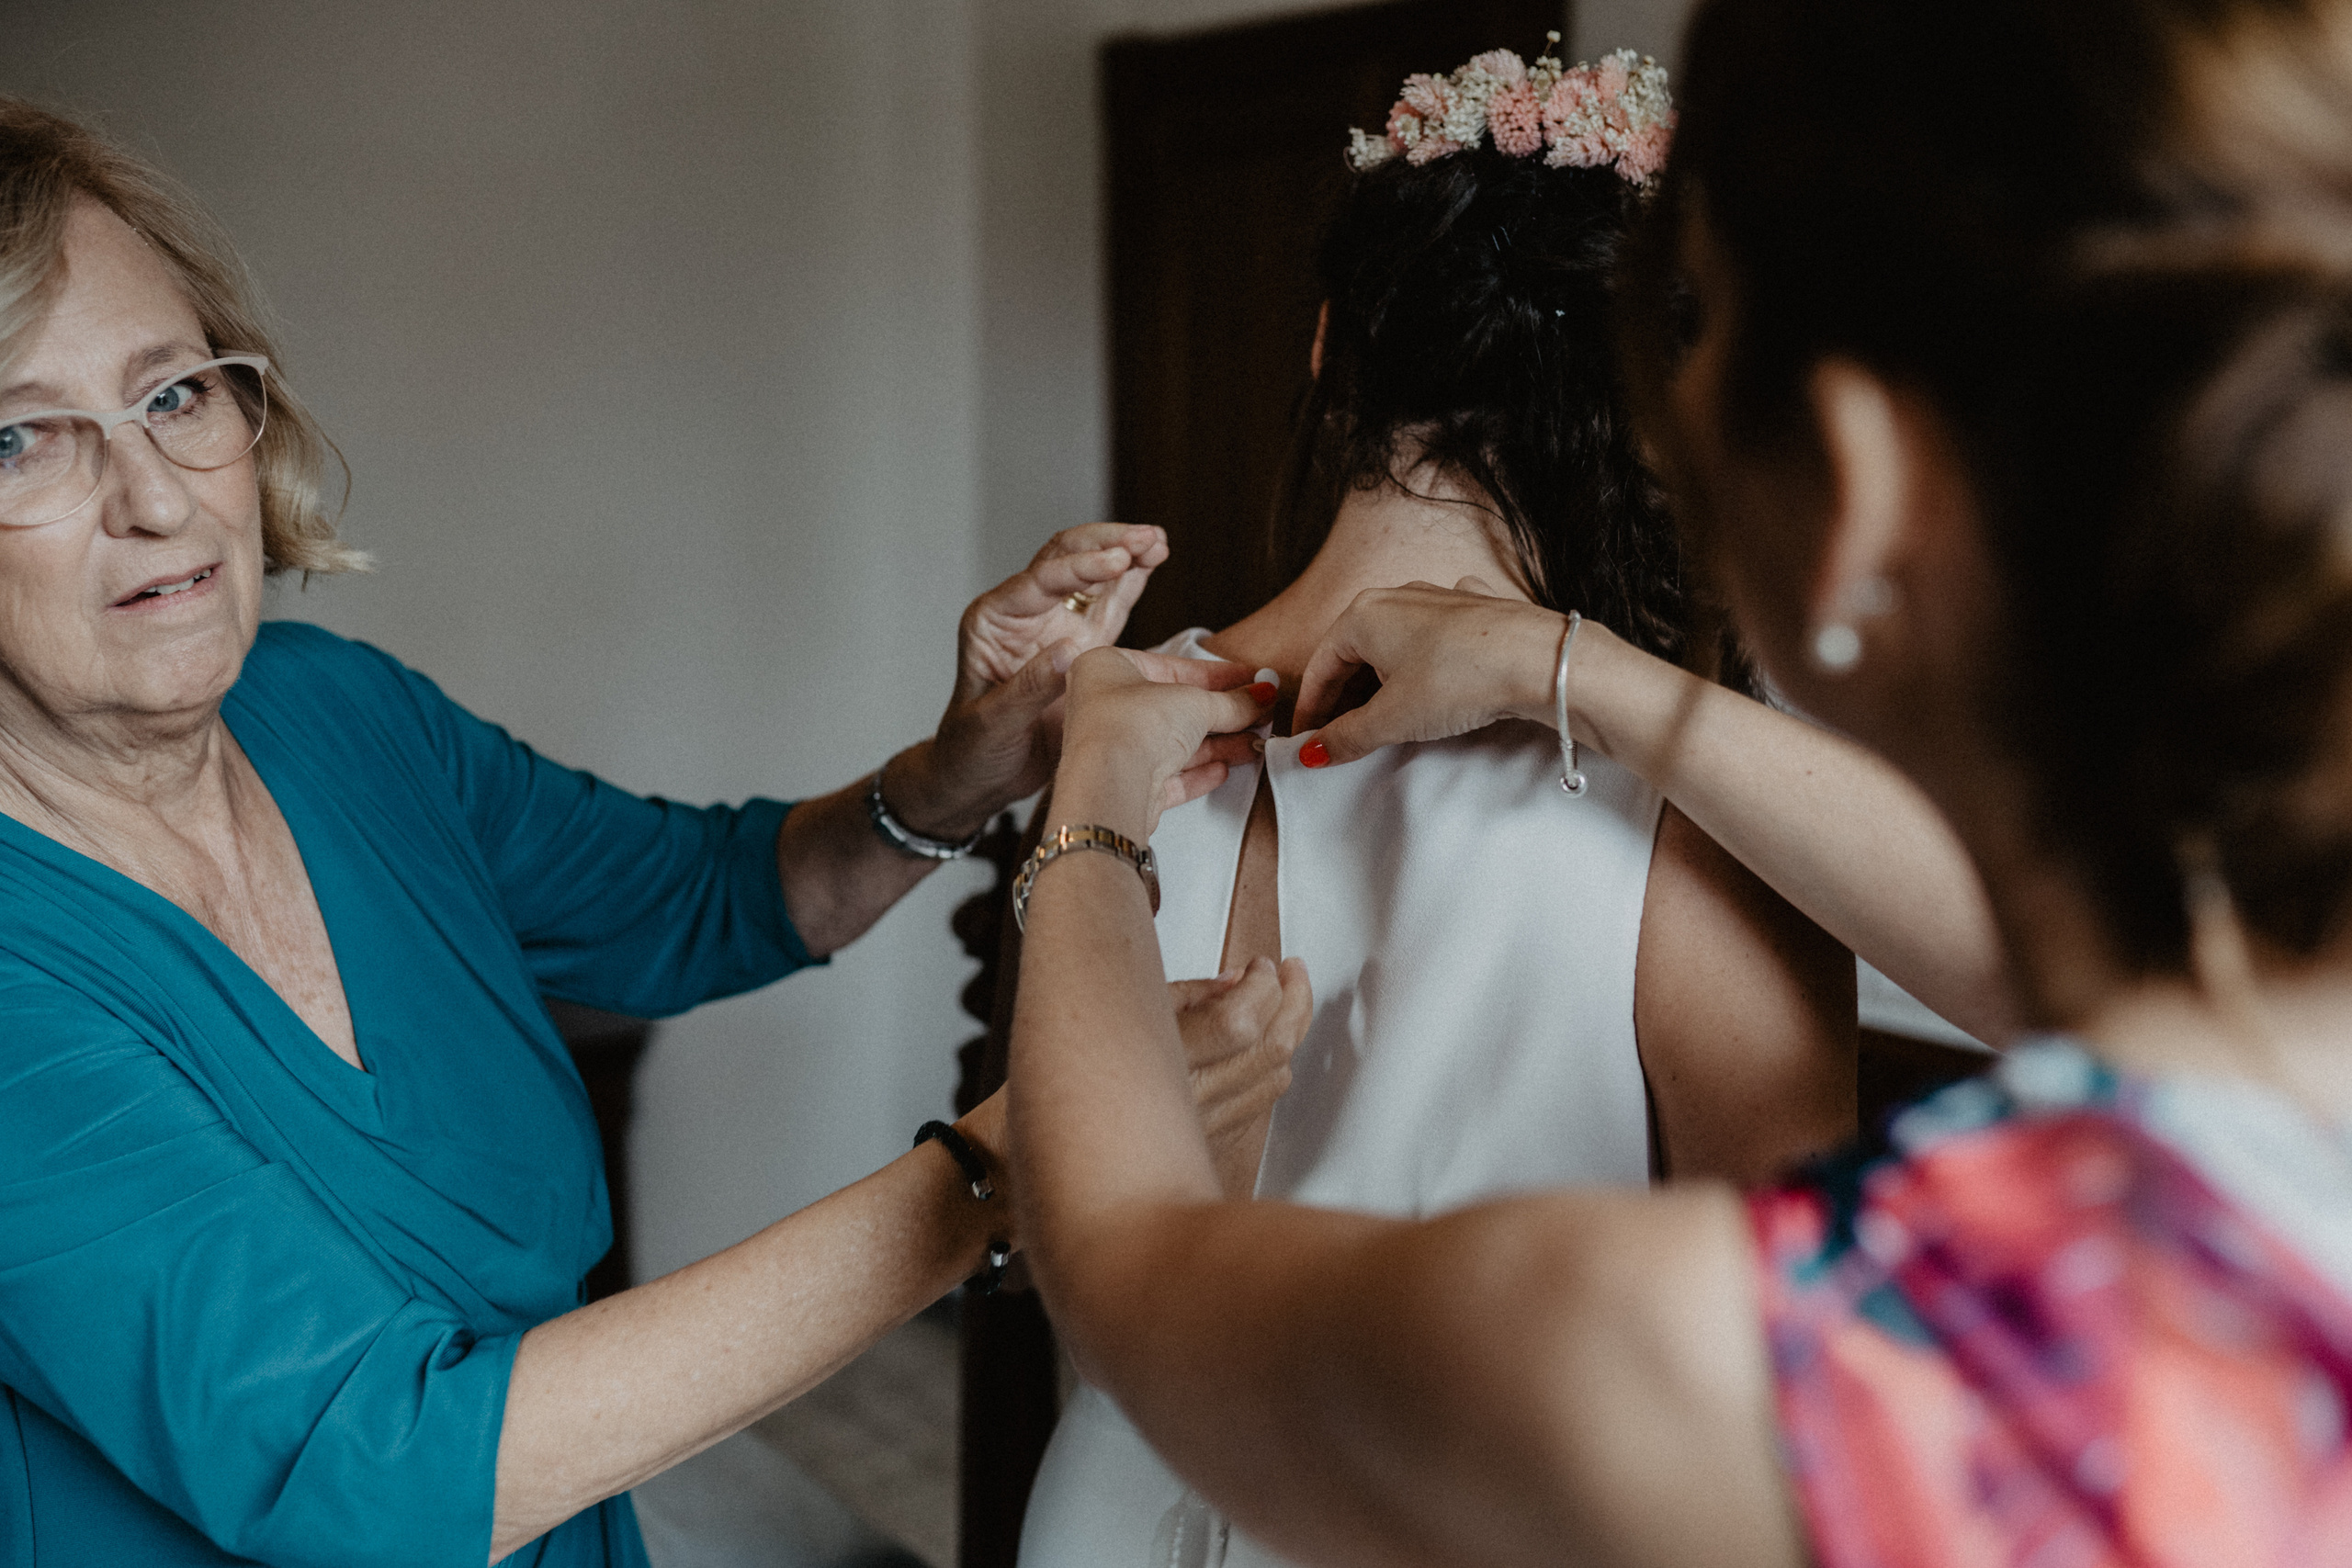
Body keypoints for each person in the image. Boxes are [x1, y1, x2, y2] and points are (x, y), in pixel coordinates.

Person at [1007, 0, 2352, 1561]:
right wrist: (1579, 676)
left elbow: (1115, 1269)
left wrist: (1082, 801)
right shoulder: (1703, 835)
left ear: (1326, 345)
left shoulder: (1126, 717)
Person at [0, 101, 1287, 1568]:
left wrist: (959, 770)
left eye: (173, 395)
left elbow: (707, 895)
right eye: (18, 440)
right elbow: (386, 1470)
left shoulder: (335, 711)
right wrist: (1010, 1165)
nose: (156, 498)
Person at [1015, 41, 1964, 1568]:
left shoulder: (1109, 740)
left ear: (1330, 348)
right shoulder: (1702, 803)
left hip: (1107, 1510)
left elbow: (1055, 1227)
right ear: (1660, 406)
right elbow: (1772, 1382)